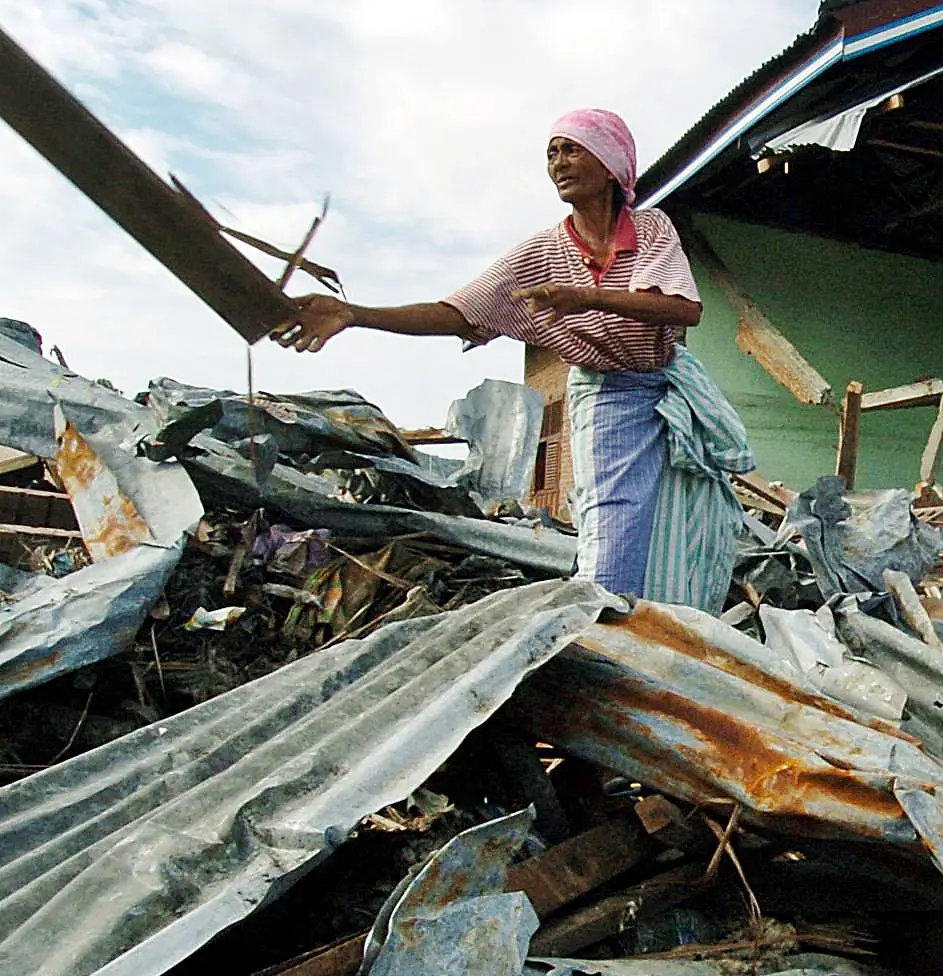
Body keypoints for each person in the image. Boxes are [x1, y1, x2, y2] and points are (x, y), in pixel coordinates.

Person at [272, 109, 752, 612]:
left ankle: (666, 627)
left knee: (687, 523)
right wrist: (354, 313)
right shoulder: (538, 255)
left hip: (668, 391)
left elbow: (684, 310)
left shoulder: (651, 228)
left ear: (612, 166)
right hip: (609, 395)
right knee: (612, 522)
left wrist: (586, 298)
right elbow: (456, 312)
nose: (558, 163)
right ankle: (597, 626)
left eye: (572, 149)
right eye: (552, 153)